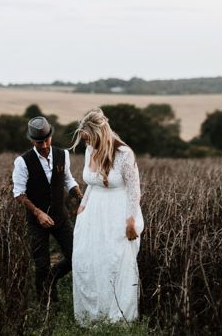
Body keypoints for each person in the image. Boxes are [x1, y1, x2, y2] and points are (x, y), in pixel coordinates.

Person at [71, 107, 144, 323]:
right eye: (84, 139)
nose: (86, 143)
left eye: (88, 138)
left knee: (115, 262)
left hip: (118, 212)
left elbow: (134, 189)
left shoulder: (123, 154)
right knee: (88, 261)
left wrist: (131, 220)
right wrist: (82, 206)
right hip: (93, 214)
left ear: (99, 133)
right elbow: (91, 183)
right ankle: (93, 314)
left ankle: (118, 317)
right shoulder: (89, 150)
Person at [12, 116, 84, 303]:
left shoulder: (63, 155)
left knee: (76, 256)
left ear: (51, 136)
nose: (43, 145)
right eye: (38, 142)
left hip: (60, 216)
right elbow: (19, 193)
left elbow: (68, 179)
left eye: (46, 140)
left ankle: (52, 278)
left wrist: (80, 197)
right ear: (31, 141)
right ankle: (46, 306)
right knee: (41, 265)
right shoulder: (22, 162)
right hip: (36, 220)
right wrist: (38, 213)